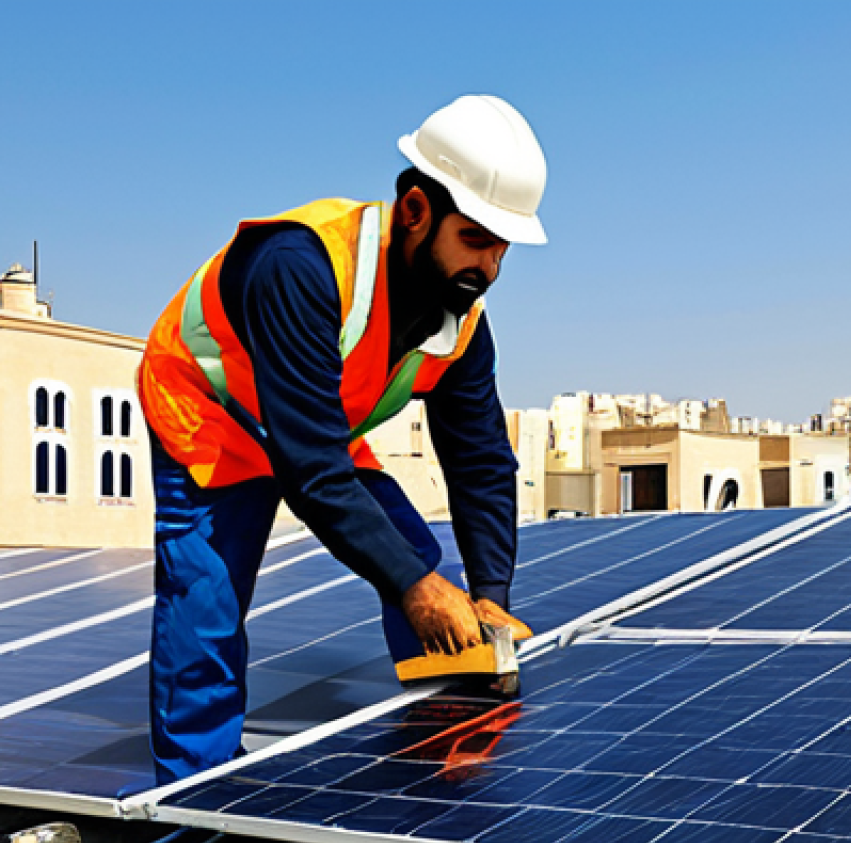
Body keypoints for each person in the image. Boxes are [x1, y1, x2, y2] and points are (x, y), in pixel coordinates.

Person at [138, 94, 548, 783]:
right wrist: (419, 590)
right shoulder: (302, 265)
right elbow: (311, 472)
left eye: (503, 245)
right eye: (476, 238)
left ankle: (448, 720)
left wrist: (489, 594)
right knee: (207, 598)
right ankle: (195, 791)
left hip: (314, 425)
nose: (491, 267)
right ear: (416, 210)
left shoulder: (462, 321)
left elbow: (481, 464)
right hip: (210, 413)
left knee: (413, 555)